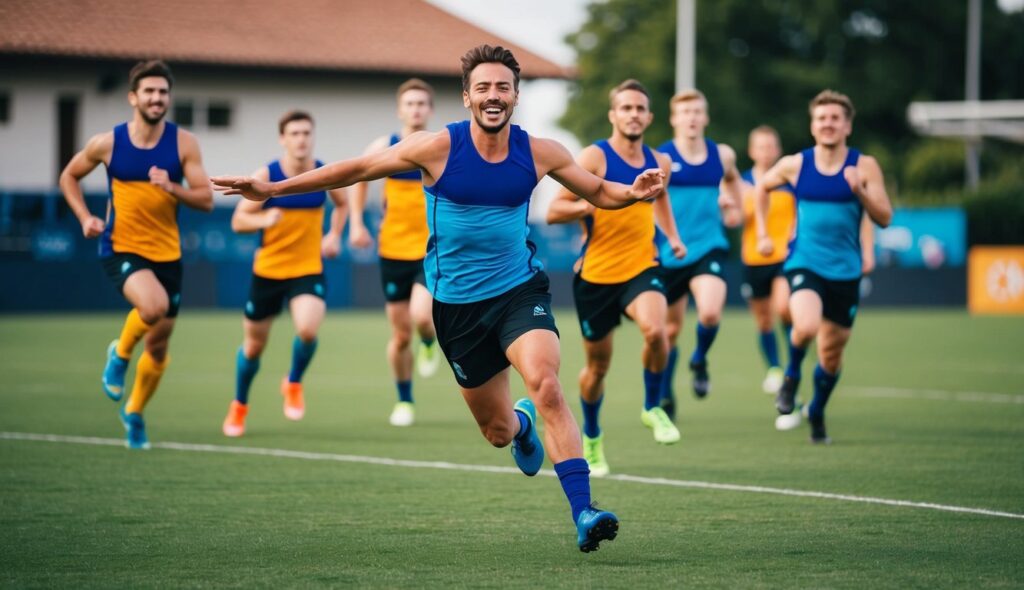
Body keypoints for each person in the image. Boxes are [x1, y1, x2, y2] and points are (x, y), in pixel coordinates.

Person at [213, 44, 668, 553]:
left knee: (547, 383)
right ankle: (521, 427)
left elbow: (598, 192)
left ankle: (584, 510)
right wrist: (273, 189)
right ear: (467, 97)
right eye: (483, 88)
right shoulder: (436, 148)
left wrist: (632, 191)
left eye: (502, 87)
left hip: (520, 290)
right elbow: (358, 169)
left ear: (515, 95)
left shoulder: (540, 152)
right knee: (496, 431)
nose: (493, 96)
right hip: (456, 308)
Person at [59, 60, 213, 449]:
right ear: (134, 97)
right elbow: (69, 176)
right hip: (121, 246)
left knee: (159, 348)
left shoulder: (183, 144)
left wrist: (172, 188)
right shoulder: (107, 143)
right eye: (149, 91)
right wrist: (84, 217)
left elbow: (206, 199)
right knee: (153, 306)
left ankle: (135, 413)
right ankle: (121, 352)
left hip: (168, 254)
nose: (157, 98)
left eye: (163, 92)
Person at [546, 79, 686, 477]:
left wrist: (673, 239)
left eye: (640, 108)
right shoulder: (594, 157)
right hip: (596, 276)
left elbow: (660, 204)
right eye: (626, 108)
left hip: (643, 266)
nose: (634, 114)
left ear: (650, 117)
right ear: (613, 115)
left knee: (657, 332)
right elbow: (555, 211)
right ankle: (591, 438)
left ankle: (653, 405)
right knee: (597, 369)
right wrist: (599, 198)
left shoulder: (661, 161)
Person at [754, 89, 891, 444]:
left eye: (834, 118)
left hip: (845, 270)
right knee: (806, 324)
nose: (827, 124)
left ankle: (816, 410)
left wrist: (860, 191)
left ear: (847, 125)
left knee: (831, 354)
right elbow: (761, 188)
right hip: (805, 261)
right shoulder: (796, 164)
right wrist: (765, 233)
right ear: (813, 126)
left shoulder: (865, 166)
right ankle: (791, 378)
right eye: (821, 118)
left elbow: (885, 217)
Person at [221, 110, 348, 437]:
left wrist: (334, 234)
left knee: (307, 330)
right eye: (294, 133)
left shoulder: (322, 172)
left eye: (306, 133)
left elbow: (343, 203)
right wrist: (264, 220)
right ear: (283, 139)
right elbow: (238, 221)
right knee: (253, 348)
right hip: (269, 272)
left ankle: (292, 381)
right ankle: (239, 405)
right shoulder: (267, 174)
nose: (301, 139)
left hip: (307, 268)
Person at [348, 79, 440, 427]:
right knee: (400, 335)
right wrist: (356, 223)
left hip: (430, 250)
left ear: (429, 110)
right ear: (400, 110)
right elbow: (359, 177)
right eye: (410, 103)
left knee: (421, 316)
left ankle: (429, 338)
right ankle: (404, 400)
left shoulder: (438, 147)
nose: (416, 109)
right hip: (391, 251)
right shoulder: (385, 146)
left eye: (422, 104)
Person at [655, 90, 743, 419]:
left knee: (709, 313)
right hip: (671, 252)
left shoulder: (722, 156)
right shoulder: (662, 158)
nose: (691, 117)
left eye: (697, 111)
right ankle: (665, 392)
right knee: (670, 332)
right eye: (685, 112)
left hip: (710, 247)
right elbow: (652, 203)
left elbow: (734, 182)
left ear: (705, 117)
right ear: (674, 119)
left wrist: (734, 208)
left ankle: (700, 359)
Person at [739, 126, 795, 398]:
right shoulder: (743, 183)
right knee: (763, 320)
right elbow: (735, 219)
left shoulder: (790, 182)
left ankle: (792, 367)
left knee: (783, 308)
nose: (766, 152)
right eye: (760, 147)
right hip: (753, 258)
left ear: (779, 150)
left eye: (771, 146)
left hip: (785, 257)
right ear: (751, 151)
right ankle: (775, 367)